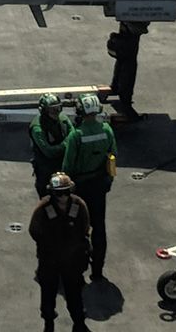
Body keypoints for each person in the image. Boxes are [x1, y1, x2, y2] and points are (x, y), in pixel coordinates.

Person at [59, 94, 115, 282]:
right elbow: (113, 157)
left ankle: (76, 265)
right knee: (99, 227)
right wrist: (109, 180)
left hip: (79, 188)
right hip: (99, 186)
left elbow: (68, 166)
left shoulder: (76, 135)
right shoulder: (107, 130)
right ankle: (97, 270)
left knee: (75, 226)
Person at [29, 172, 92, 332]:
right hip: (50, 260)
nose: (63, 197)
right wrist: (48, 246)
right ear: (52, 192)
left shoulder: (79, 205)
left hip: (73, 260)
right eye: (59, 193)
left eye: (66, 192)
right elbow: (34, 230)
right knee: (48, 293)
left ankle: (79, 322)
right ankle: (48, 322)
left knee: (74, 294)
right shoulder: (44, 208)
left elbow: (85, 226)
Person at [28, 93, 70, 199]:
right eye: (52, 110)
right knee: (47, 200)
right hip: (46, 170)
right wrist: (66, 143)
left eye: (58, 108)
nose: (56, 112)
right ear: (44, 111)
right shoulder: (37, 128)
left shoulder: (63, 119)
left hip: (62, 166)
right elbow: (49, 151)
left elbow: (73, 134)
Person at [107, 21, 146, 121]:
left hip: (129, 22)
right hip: (133, 23)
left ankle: (116, 87)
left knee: (124, 58)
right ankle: (125, 101)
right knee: (129, 62)